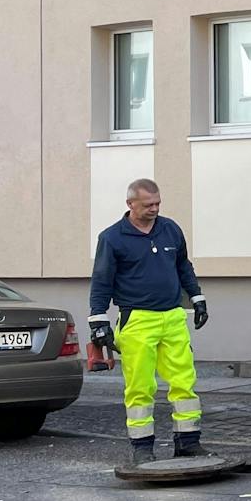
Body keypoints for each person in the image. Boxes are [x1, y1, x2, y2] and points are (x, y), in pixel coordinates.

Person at [88, 179, 208, 465]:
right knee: (140, 386)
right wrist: (98, 319)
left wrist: (197, 297)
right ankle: (142, 447)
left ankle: (188, 442)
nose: (154, 209)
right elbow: (102, 279)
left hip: (173, 316)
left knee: (184, 382)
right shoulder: (112, 237)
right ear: (130, 204)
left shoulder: (170, 229)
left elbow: (183, 266)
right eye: (148, 205)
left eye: (157, 203)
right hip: (137, 319)